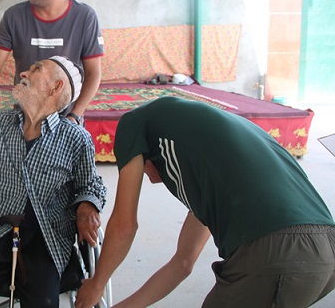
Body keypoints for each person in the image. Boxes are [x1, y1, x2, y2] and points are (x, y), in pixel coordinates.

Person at [76, 97, 335, 308]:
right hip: (326, 254)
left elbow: (124, 226)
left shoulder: (135, 122)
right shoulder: (214, 170)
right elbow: (182, 263)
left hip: (275, 250)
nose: (151, 180)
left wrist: (97, 285)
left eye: (143, 171)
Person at [0, 56, 107, 308]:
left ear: (56, 87)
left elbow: (90, 184)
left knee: (43, 302)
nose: (24, 73)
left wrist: (87, 206)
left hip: (45, 238)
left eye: (36, 69)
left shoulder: (75, 138)